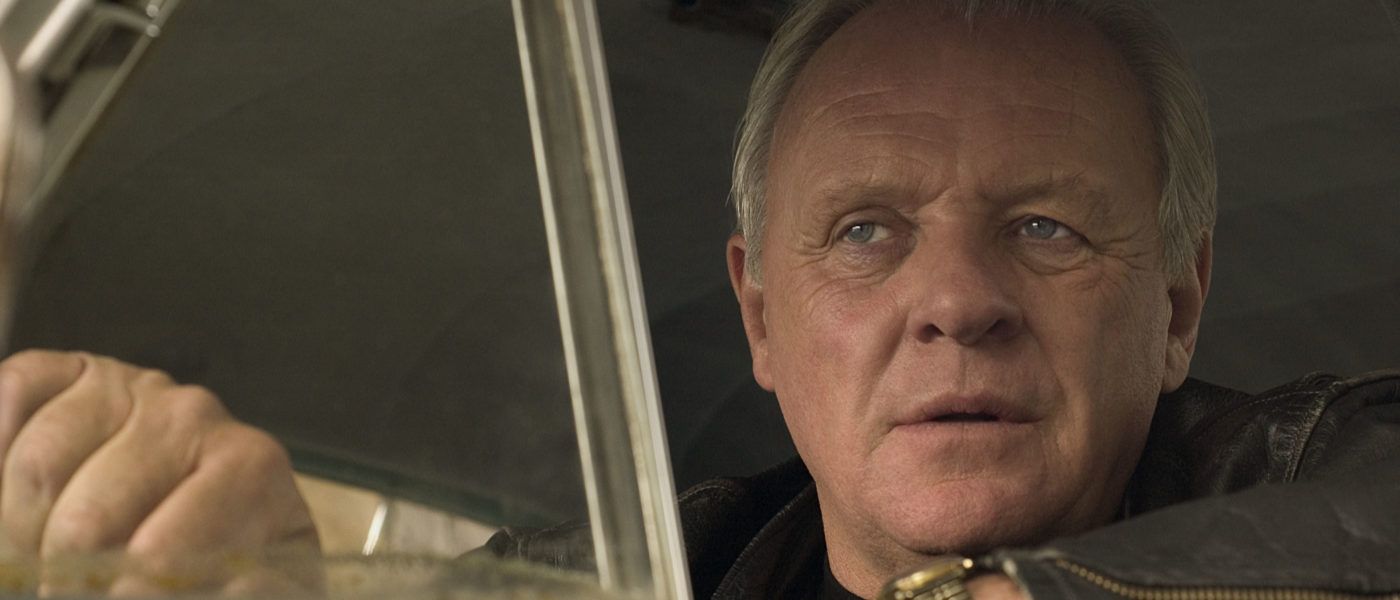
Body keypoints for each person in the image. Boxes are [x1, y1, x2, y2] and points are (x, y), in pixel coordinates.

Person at [1, 0, 1397, 599]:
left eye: (1044, 227)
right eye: (865, 231)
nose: (956, 301)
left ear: (1177, 306)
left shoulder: (1328, 476)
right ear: (760, 319)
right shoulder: (604, 579)